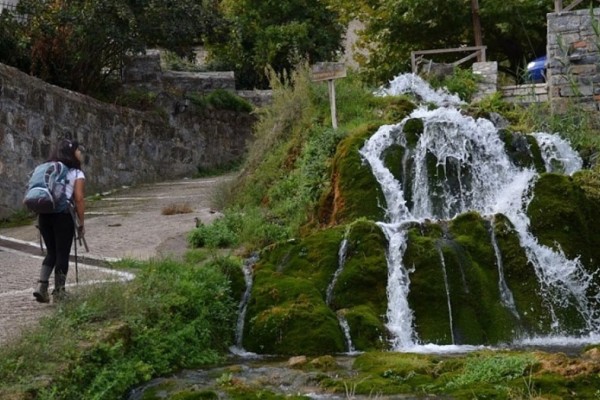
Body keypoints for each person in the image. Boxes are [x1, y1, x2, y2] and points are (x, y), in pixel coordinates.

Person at [33, 139, 86, 303]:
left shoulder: (48, 168)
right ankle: (59, 292)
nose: (80, 153)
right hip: (63, 216)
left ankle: (41, 286)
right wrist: (81, 222)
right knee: (62, 253)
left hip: (44, 215)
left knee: (52, 252)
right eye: (78, 150)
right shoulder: (76, 173)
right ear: (72, 153)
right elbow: (79, 198)